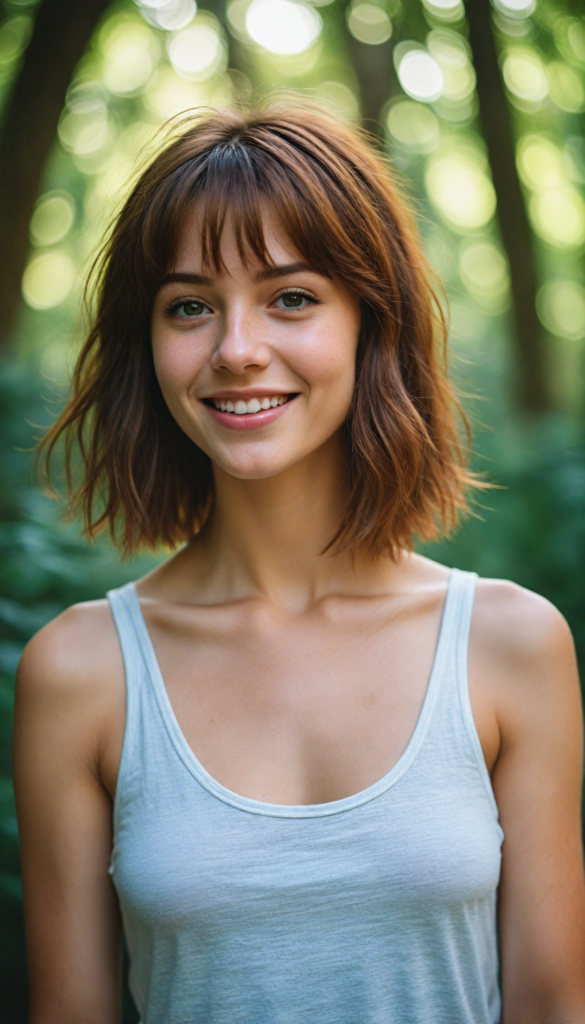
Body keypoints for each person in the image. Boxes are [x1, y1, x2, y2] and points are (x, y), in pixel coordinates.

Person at [14, 105, 585, 1024]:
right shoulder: (81, 673)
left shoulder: (510, 645)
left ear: (372, 321)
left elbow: (555, 1004)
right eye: (190, 306)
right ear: (148, 346)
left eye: (291, 296)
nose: (237, 349)